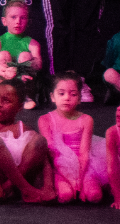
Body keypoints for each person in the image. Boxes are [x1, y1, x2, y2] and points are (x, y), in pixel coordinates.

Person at [0, 80, 52, 204]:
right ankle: (24, 189)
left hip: (17, 178)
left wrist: (48, 186)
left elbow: (43, 156)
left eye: (6, 101)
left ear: (19, 106)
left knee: (40, 141)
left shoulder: (22, 127)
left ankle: (10, 188)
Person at [37, 73, 102, 204]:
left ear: (79, 98)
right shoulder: (45, 120)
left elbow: (84, 153)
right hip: (58, 168)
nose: (67, 98)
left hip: (83, 166)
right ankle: (62, 185)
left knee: (95, 196)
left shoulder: (86, 120)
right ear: (52, 97)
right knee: (66, 195)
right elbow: (51, 152)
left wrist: (79, 179)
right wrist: (68, 178)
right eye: (61, 93)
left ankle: (86, 182)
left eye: (73, 94)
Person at [0, 1, 43, 108]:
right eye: (13, 17)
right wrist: (5, 72)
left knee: (26, 56)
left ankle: (24, 97)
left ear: (28, 21)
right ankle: (0, 96)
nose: (18, 22)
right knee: (2, 55)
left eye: (22, 18)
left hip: (22, 80)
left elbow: (39, 64)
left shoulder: (33, 43)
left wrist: (22, 69)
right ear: (4, 21)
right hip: (4, 77)